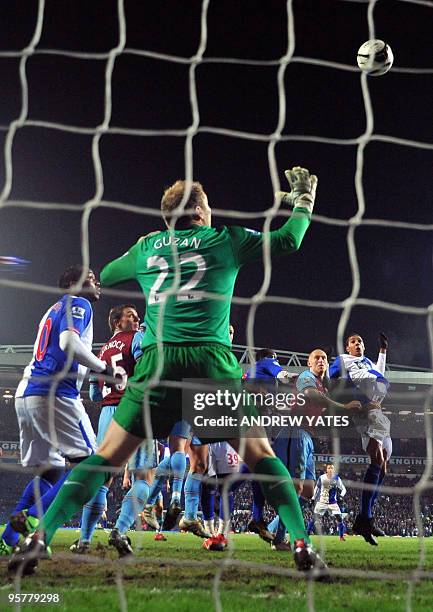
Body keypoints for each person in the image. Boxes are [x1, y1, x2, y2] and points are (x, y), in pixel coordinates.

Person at [10, 166, 329, 580]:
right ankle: (301, 544)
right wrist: (303, 201)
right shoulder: (226, 239)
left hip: (157, 363)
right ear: (200, 211)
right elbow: (290, 239)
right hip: (211, 364)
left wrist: (151, 250)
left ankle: (41, 538)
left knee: (105, 458)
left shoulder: (148, 247)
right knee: (261, 455)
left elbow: (107, 274)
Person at [0, 266, 110, 556]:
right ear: (72, 284)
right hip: (55, 394)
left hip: (27, 394)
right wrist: (105, 368)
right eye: (89, 278)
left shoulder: (54, 308)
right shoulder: (79, 302)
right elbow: (68, 342)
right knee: (93, 465)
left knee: (51, 472)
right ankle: (34, 519)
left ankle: (8, 538)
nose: (96, 282)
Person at [69, 303, 155, 556]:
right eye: (131, 316)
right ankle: (119, 530)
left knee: (102, 478)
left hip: (107, 415)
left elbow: (95, 393)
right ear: (117, 322)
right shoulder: (138, 338)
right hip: (134, 408)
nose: (137, 319)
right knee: (143, 476)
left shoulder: (102, 351)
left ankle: (84, 540)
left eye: (138, 317)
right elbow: (146, 370)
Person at [270, 348, 361, 549]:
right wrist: (344, 407)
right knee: (297, 486)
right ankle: (282, 538)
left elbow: (328, 388)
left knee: (308, 492)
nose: (321, 360)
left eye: (324, 358)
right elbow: (313, 396)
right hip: (295, 432)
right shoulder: (306, 377)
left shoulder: (323, 384)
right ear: (309, 363)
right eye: (316, 358)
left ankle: (275, 528)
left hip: (307, 435)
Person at [329, 332, 391, 545]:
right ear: (347, 348)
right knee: (376, 459)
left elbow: (379, 374)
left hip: (377, 410)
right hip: (364, 412)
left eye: (361, 341)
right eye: (353, 342)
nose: (358, 344)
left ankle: (365, 518)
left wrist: (383, 351)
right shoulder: (343, 360)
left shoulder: (367, 363)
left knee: (383, 466)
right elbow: (329, 378)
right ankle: (365, 518)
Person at [307, 464, 347, 541]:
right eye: (329, 468)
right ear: (326, 469)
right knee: (314, 518)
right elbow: (316, 489)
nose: (330, 469)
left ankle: (341, 537)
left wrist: (341, 496)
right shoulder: (322, 478)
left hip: (333, 503)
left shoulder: (337, 478)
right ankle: (307, 534)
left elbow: (344, 489)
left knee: (339, 518)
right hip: (322, 502)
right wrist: (312, 499)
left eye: (332, 468)